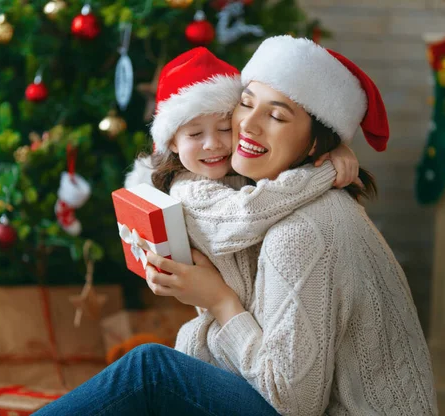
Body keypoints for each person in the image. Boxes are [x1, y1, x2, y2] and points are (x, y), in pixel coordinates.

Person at [145, 36, 438, 415]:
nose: (246, 126)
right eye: (245, 105)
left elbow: (291, 399)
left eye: (277, 116)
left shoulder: (299, 231)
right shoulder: (279, 200)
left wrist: (219, 301)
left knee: (150, 370)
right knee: (160, 368)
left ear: (316, 144)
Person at [125, 47, 359, 367]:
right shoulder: (188, 190)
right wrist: (325, 170)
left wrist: (332, 148)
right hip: (224, 347)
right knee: (144, 364)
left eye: (224, 128)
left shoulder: (244, 172)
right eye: (195, 134)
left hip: (258, 337)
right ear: (172, 143)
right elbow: (247, 215)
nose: (214, 144)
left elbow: (285, 165)